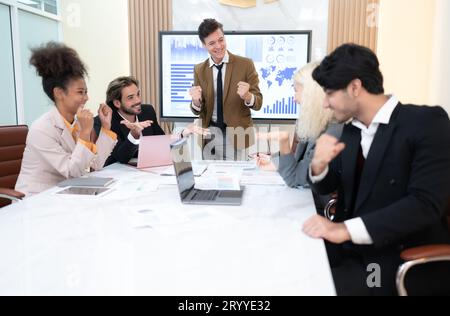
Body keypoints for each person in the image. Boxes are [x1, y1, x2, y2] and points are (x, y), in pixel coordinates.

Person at [302, 43, 450, 295]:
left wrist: (343, 229)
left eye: (329, 93)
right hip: (349, 253)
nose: (325, 104)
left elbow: (425, 205)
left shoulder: (426, 123)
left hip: (392, 261)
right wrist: (318, 165)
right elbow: (330, 185)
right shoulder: (350, 131)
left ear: (355, 87)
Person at [15, 42, 117, 196]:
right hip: (36, 200)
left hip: (65, 195)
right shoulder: (42, 129)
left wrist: (106, 127)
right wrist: (85, 133)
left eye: (86, 92)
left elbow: (95, 165)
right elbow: (72, 172)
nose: (86, 98)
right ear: (59, 93)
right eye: (80, 92)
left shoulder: (75, 123)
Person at [256, 62, 342, 191]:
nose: (294, 99)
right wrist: (276, 162)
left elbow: (295, 179)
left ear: (312, 95)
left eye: (296, 91)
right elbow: (298, 160)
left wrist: (283, 141)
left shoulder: (332, 133)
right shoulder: (319, 123)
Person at [189, 18, 263, 161]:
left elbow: (258, 102)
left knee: (236, 179)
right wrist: (195, 101)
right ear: (204, 45)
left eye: (221, 40)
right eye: (212, 43)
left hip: (237, 134)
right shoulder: (199, 69)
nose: (218, 46)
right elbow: (198, 109)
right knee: (210, 179)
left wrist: (248, 96)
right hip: (210, 135)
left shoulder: (245, 64)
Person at [95, 76, 208, 166]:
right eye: (131, 97)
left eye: (138, 94)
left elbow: (161, 143)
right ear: (117, 103)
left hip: (145, 173)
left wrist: (182, 134)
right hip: (117, 177)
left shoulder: (147, 111)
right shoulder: (108, 121)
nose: (138, 100)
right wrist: (134, 134)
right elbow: (121, 157)